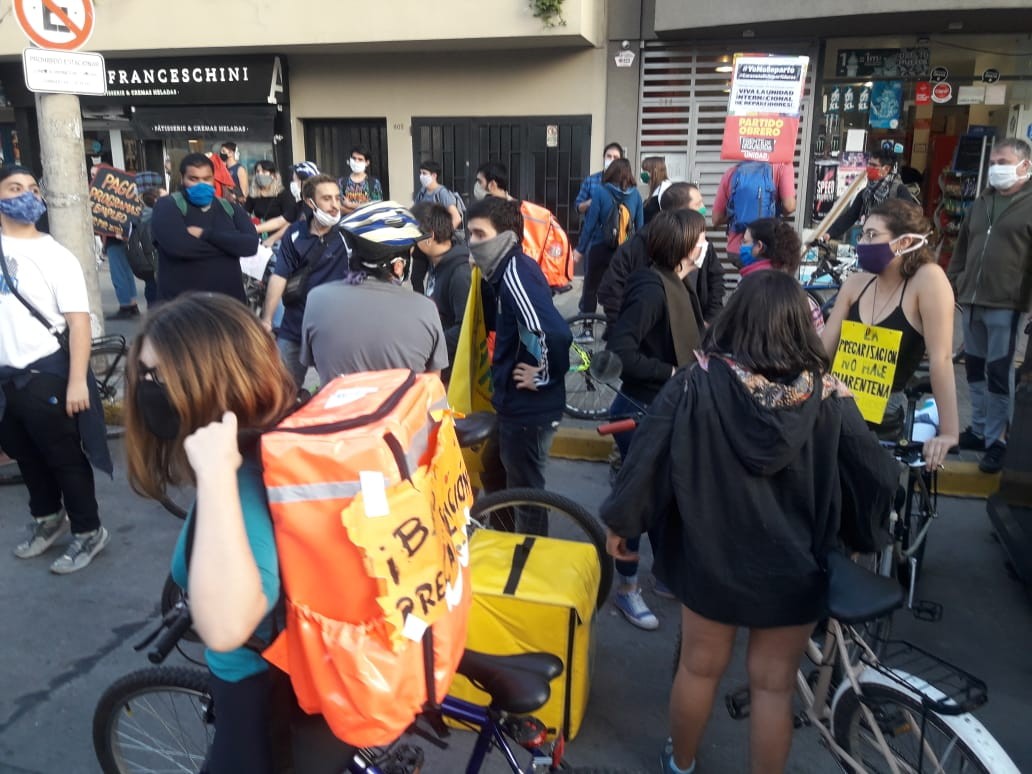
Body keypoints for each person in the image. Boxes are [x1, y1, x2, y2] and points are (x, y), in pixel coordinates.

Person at [601, 270, 899, 774]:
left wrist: (622, 526)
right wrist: (858, 533)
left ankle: (682, 762)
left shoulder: (695, 383)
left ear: (736, 318)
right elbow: (877, 474)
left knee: (698, 669)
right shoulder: (830, 396)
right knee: (774, 685)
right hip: (796, 566)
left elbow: (645, 460)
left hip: (710, 559)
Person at [124, 293, 357, 773]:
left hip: (261, 701)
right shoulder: (291, 430)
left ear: (207, 381)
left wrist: (214, 476)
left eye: (155, 376)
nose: (145, 388)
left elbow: (227, 628)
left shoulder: (243, 482)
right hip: (314, 679)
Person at [0, 164, 113, 574]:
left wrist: (77, 381)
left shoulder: (54, 255)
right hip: (6, 379)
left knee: (63, 457)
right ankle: (47, 519)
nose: (26, 195)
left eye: (32, 188)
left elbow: (79, 321)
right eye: (14, 188)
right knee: (25, 455)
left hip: (45, 373)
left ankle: (88, 531)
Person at [604, 208, 706, 630]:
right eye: (700, 240)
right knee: (638, 501)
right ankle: (627, 590)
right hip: (641, 410)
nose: (705, 248)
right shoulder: (650, 287)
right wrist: (671, 373)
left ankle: (666, 575)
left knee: (669, 497)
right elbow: (621, 352)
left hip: (666, 409)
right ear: (683, 245)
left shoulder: (681, 284)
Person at [823, 200, 959, 469]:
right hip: (836, 407)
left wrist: (949, 433)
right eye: (862, 234)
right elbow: (822, 351)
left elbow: (941, 360)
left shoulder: (928, 280)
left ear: (905, 242)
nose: (863, 242)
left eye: (872, 235)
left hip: (882, 418)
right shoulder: (855, 284)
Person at [466, 196, 572, 534]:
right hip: (513, 404)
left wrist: (543, 375)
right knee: (496, 472)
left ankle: (530, 557)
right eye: (468, 234)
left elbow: (553, 333)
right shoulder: (502, 272)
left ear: (506, 237)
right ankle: (503, 543)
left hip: (529, 409)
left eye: (480, 234)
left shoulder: (514, 274)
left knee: (526, 495)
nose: (471, 242)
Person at [947, 137, 1032, 473]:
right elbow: (962, 246)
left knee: (999, 372)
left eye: (1003, 162)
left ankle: (999, 439)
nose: (996, 168)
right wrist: (954, 281)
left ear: (1025, 165)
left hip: (1007, 304)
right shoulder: (981, 202)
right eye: (994, 162)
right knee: (973, 369)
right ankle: (979, 429)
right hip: (972, 300)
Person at [301, 201, 447, 385]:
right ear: (398, 265)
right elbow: (432, 383)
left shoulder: (316, 299)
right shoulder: (426, 309)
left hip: (337, 411)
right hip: (402, 412)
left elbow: (315, 361)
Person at [260, 175, 352, 388]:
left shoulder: (348, 234)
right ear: (310, 202)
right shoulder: (295, 234)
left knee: (338, 393)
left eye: (337, 198)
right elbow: (279, 276)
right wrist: (267, 318)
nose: (334, 205)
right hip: (294, 326)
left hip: (333, 330)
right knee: (283, 391)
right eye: (327, 199)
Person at [599, 182, 723, 329]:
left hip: (693, 333)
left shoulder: (701, 242)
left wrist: (710, 319)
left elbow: (716, 279)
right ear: (680, 212)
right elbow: (611, 290)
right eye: (698, 204)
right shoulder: (638, 246)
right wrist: (630, 325)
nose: (703, 209)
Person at [151, 152, 259, 304]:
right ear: (182, 179)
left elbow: (251, 245)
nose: (201, 184)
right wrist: (231, 246)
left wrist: (206, 235)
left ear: (214, 179)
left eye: (206, 179)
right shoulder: (167, 206)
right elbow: (178, 247)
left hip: (229, 307)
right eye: (194, 179)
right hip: (182, 310)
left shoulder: (230, 208)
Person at [573, 158, 644, 324]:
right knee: (618, 289)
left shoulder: (600, 192)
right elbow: (641, 228)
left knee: (590, 288)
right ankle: (615, 326)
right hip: (623, 251)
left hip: (599, 247)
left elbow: (589, 225)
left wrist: (580, 249)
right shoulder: (636, 196)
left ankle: (587, 329)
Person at [412, 201, 471, 379]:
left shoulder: (460, 273)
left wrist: (429, 346)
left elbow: (464, 329)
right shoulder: (433, 261)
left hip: (451, 372)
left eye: (413, 234)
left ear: (429, 236)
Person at [737, 217, 823, 334]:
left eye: (745, 242)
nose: (740, 246)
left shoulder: (748, 292)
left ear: (759, 247)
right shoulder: (806, 302)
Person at [711, 161, 796, 266]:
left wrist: (737, 213)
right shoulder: (782, 166)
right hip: (767, 251)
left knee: (747, 279)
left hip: (738, 250)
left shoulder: (732, 172)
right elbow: (789, 206)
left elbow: (716, 219)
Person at [823, 150, 916, 242]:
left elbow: (909, 219)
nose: (869, 168)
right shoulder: (866, 192)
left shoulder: (899, 190)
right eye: (869, 164)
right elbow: (850, 216)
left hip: (890, 243)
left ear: (886, 169)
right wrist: (829, 233)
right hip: (870, 239)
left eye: (874, 165)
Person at [411, 160, 464, 293]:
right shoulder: (422, 193)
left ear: (434, 175)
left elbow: (456, 218)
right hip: (422, 239)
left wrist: (442, 234)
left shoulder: (442, 193)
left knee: (436, 278)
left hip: (436, 241)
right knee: (416, 277)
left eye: (425, 173)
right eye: (420, 173)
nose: (421, 176)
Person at [245, 160, 298, 249]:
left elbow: (290, 222)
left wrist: (273, 239)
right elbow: (245, 213)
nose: (260, 174)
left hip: (280, 240)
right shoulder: (253, 195)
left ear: (273, 175)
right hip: (259, 239)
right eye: (257, 172)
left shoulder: (284, 195)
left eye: (264, 171)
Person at [574, 141, 624, 215]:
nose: (612, 160)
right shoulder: (590, 180)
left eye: (615, 157)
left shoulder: (625, 182)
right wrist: (591, 202)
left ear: (620, 161)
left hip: (617, 225)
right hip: (594, 225)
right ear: (604, 158)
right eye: (609, 156)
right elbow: (577, 207)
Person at [339, 146, 383, 214]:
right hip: (346, 223)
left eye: (360, 159)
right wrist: (364, 207)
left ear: (367, 163)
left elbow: (376, 207)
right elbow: (339, 208)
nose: (356, 161)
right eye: (354, 158)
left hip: (368, 224)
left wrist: (350, 205)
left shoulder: (374, 183)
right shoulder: (341, 182)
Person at [640, 155, 672, 224]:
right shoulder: (656, 189)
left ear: (654, 171)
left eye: (645, 170)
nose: (642, 173)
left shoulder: (665, 189)